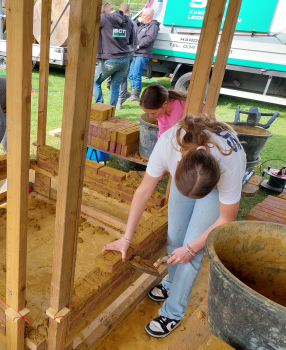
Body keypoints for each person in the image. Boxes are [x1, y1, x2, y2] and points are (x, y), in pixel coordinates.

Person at [103, 114, 246, 338]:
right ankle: (170, 280)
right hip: (190, 175)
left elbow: (226, 218)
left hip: (214, 183)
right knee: (175, 236)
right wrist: (126, 238)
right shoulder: (167, 146)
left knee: (191, 250)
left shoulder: (229, 167)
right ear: (177, 165)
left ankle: (173, 311)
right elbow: (143, 191)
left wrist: (191, 248)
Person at [93, 2, 134, 108]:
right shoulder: (128, 20)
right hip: (125, 59)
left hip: (110, 59)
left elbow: (91, 28)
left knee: (95, 82)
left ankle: (100, 108)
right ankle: (111, 111)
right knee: (115, 87)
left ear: (103, 12)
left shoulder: (104, 18)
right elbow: (131, 40)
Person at [127, 7, 159, 102]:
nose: (141, 16)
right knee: (131, 74)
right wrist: (137, 21)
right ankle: (133, 93)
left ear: (149, 16)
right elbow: (133, 29)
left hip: (143, 53)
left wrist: (139, 46)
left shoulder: (153, 26)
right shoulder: (142, 25)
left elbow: (150, 38)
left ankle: (135, 95)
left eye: (143, 15)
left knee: (136, 74)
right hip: (136, 54)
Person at [116, 2, 138, 109]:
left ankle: (120, 100)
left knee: (122, 77)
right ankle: (123, 94)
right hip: (124, 53)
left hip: (123, 53)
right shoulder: (132, 23)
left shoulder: (129, 23)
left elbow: (134, 40)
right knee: (120, 77)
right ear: (129, 11)